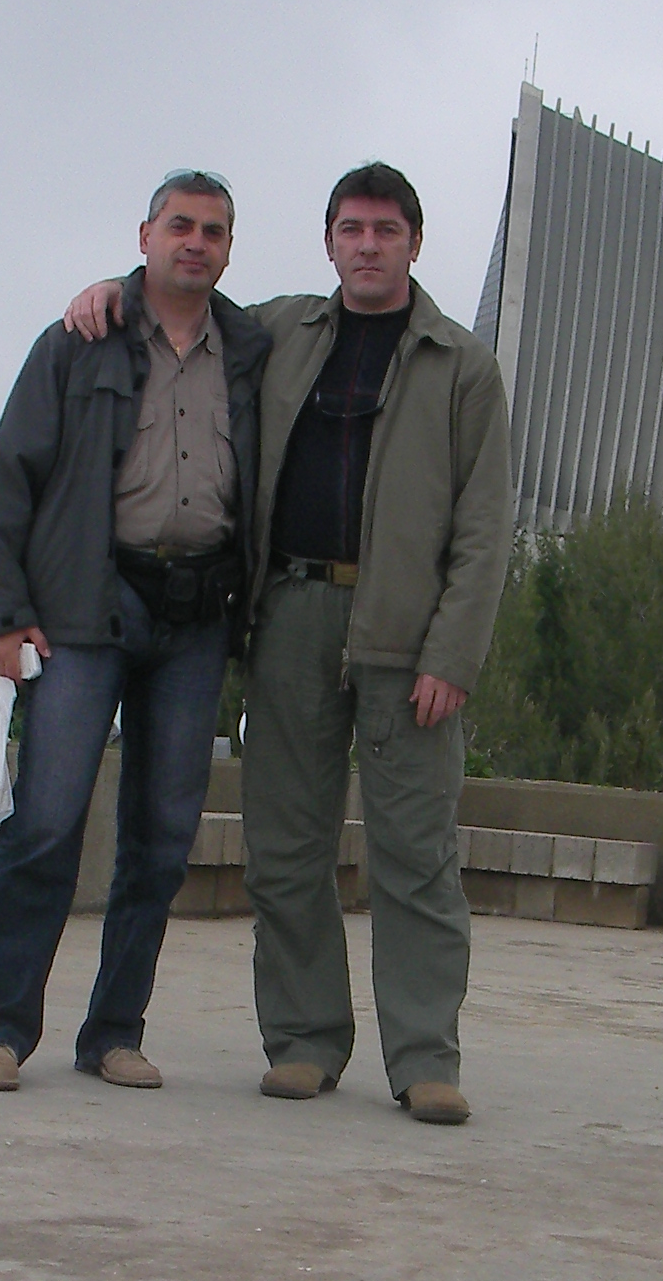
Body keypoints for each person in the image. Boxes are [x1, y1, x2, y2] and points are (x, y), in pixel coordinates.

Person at [66, 163, 512, 1124]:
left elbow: (484, 529)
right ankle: (305, 1041)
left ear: (415, 244)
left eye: (385, 231)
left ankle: (425, 1059)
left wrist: (454, 655)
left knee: (415, 855)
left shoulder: (462, 366)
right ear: (329, 242)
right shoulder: (279, 332)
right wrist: (113, 289)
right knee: (284, 848)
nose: (367, 246)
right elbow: (180, 307)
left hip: (406, 637)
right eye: (351, 229)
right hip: (291, 615)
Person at [0, 172, 270, 1091]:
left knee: (162, 838)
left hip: (197, 614)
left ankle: (114, 1033)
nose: (196, 243)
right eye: (181, 226)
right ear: (145, 236)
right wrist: (1, 617)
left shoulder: (252, 349)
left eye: (214, 231)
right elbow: (12, 472)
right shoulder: (79, 338)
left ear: (229, 249)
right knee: (48, 821)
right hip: (86, 606)